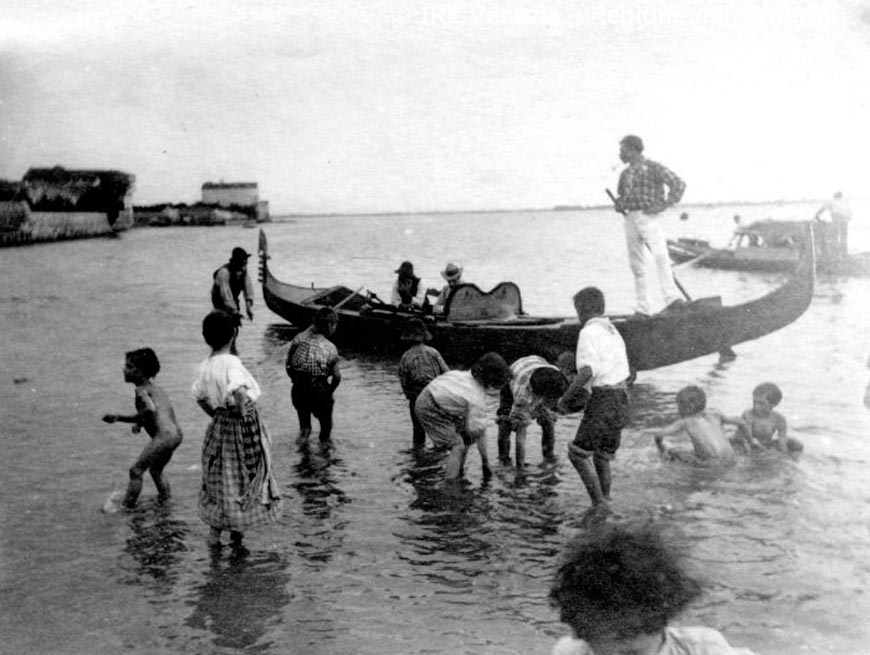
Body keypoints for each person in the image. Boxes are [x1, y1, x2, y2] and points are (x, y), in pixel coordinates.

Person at [548, 523, 759, 655]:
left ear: (662, 624)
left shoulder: (703, 648)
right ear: (582, 635)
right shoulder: (570, 651)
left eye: (632, 654)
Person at [192, 310, 282, 550]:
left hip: (220, 425)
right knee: (244, 474)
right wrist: (240, 414)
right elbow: (240, 392)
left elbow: (200, 396)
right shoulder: (232, 362)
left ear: (205, 337)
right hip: (241, 425)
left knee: (221, 474)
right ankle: (237, 538)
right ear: (233, 336)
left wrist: (217, 415)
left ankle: (215, 537)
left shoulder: (206, 365)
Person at [557, 287, 630, 510]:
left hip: (606, 397)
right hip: (624, 396)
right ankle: (606, 498)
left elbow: (587, 372)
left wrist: (564, 399)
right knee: (602, 456)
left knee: (577, 454)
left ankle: (598, 504)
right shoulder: (612, 330)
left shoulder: (588, 333)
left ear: (581, 310)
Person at [614, 134, 687, 316]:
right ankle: (642, 308)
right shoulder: (625, 174)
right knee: (637, 265)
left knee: (661, 257)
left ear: (633, 150)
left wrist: (664, 204)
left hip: (649, 217)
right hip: (631, 219)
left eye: (623, 150)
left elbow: (678, 184)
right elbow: (622, 197)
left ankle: (672, 299)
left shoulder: (654, 167)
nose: (621, 154)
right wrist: (619, 204)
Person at [102, 348, 183, 509]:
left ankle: (127, 507)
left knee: (136, 471)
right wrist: (140, 423)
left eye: (129, 367)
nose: (124, 370)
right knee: (156, 470)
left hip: (164, 437)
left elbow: (150, 410)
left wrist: (118, 418)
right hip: (175, 435)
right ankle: (166, 502)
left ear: (139, 372)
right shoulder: (155, 388)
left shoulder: (141, 392)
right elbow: (157, 413)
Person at [414, 352, 511, 483]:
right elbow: (479, 432)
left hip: (431, 396)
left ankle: (457, 471)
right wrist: (486, 463)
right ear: (492, 380)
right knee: (457, 444)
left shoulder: (466, 376)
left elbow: (473, 431)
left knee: (466, 437)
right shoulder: (476, 396)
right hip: (429, 406)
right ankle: (451, 485)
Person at [496, 353, 574, 469]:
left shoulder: (557, 376)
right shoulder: (523, 395)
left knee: (548, 420)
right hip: (513, 377)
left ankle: (549, 456)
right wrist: (520, 467)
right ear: (539, 395)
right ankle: (504, 459)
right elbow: (520, 438)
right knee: (506, 420)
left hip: (537, 368)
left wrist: (551, 409)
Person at [285, 306, 342, 448]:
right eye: (335, 325)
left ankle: (303, 460)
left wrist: (296, 381)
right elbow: (337, 377)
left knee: (304, 429)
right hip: (319, 390)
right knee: (325, 432)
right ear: (330, 325)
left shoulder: (299, 340)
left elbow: (288, 366)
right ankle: (326, 464)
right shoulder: (330, 347)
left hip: (298, 390)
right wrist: (329, 392)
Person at [647, 385, 741, 465]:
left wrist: (658, 444)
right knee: (693, 452)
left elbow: (661, 433)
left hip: (712, 464)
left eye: (678, 407)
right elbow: (741, 422)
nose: (678, 410)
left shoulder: (686, 421)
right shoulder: (715, 414)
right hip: (732, 459)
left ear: (686, 408)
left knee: (674, 452)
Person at [398, 318, 450, 450]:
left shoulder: (406, 357)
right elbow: (447, 373)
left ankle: (419, 457)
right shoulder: (433, 352)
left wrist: (410, 397)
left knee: (418, 431)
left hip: (416, 397)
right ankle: (438, 458)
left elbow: (404, 381)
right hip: (435, 395)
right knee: (438, 429)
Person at [733, 382, 803, 454]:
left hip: (765, 443)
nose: (756, 406)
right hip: (744, 441)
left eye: (761, 403)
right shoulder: (748, 415)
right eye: (754, 402)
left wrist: (784, 455)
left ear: (773, 404)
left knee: (795, 444)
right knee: (743, 448)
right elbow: (747, 438)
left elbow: (782, 441)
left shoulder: (779, 419)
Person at [211, 247, 255, 324]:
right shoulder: (224, 273)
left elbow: (248, 288)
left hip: (233, 300)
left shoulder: (243, 270)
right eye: (243, 263)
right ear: (237, 263)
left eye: (245, 263)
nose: (245, 266)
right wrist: (234, 311)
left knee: (236, 321)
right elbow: (226, 295)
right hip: (220, 303)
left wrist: (248, 307)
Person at [814, 191, 852, 259]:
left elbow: (822, 209)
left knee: (834, 237)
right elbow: (850, 213)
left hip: (837, 219)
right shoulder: (845, 202)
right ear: (841, 196)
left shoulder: (831, 201)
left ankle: (836, 254)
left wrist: (816, 215)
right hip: (845, 220)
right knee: (843, 237)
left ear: (834, 196)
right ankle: (844, 254)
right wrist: (848, 218)